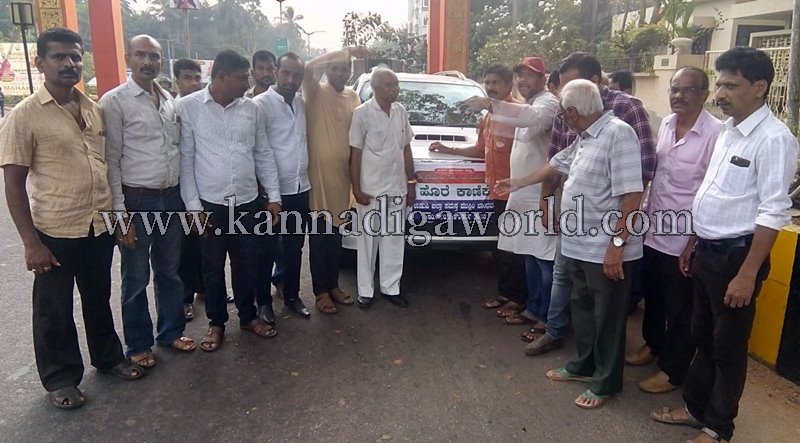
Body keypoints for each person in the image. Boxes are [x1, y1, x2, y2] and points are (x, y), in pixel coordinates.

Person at [652, 47, 798, 443]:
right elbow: (712, 192)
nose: (720, 94)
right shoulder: (729, 130)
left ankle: (718, 428)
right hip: (707, 251)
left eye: (730, 86)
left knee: (728, 348)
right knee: (702, 338)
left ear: (759, 87)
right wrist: (693, 242)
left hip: (737, 258)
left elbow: (773, 212)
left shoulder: (774, 139)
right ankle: (694, 408)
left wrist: (747, 274)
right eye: (719, 85)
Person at [0, 28, 144, 410]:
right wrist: (31, 243)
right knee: (55, 310)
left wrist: (117, 221)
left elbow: (106, 168)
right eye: (59, 57)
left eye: (76, 57)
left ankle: (109, 358)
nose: (69, 63)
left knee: (98, 298)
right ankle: (61, 378)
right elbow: (13, 184)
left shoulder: (92, 109)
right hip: (55, 230)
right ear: (40, 62)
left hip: (98, 226)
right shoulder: (25, 115)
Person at [496, 79, 644, 409]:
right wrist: (517, 182)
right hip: (577, 244)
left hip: (604, 248)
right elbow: (556, 165)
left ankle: (606, 382)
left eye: (563, 113)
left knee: (608, 318)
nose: (562, 119)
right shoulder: (585, 137)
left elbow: (633, 195)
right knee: (584, 310)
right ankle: (584, 365)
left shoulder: (618, 134)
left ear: (574, 112)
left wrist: (617, 245)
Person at [525, 52, 655, 356]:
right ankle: (559, 334)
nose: (564, 93)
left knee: (604, 296)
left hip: (606, 224)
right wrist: (545, 202)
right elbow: (556, 159)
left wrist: (619, 238)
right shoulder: (571, 115)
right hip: (573, 219)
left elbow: (642, 172)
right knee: (566, 278)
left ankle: (601, 358)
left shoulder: (625, 113)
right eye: (562, 86)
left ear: (594, 81)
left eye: (572, 84)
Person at [99, 35, 196, 369]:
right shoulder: (115, 102)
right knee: (136, 277)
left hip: (171, 197)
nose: (148, 62)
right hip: (136, 200)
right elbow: (111, 162)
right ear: (128, 58)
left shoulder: (168, 99)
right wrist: (120, 216)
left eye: (154, 56)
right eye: (140, 55)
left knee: (169, 271)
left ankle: (171, 331)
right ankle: (138, 343)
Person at [626, 67, 722, 395]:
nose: (679, 95)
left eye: (688, 89)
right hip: (654, 230)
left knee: (681, 309)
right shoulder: (666, 124)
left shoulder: (715, 134)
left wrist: (693, 241)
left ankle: (673, 370)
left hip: (684, 238)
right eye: (674, 89)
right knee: (653, 295)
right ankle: (653, 345)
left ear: (704, 94)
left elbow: (711, 192)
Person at [178, 49, 282, 350]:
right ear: (221, 76)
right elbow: (185, 161)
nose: (246, 84)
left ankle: (248, 317)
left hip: (247, 202)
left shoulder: (252, 109)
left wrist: (274, 197)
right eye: (241, 78)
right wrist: (194, 209)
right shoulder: (189, 108)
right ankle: (216, 323)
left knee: (246, 264)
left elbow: (263, 153)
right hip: (210, 204)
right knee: (212, 267)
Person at [460, 57, 559, 332]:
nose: (523, 81)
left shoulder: (547, 103)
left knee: (543, 259)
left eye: (530, 75)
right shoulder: (528, 104)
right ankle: (531, 307)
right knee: (527, 255)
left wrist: (491, 105)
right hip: (521, 190)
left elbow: (532, 119)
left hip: (541, 192)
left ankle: (545, 317)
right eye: (520, 76)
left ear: (543, 79)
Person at [429, 63, 527, 319]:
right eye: (488, 82)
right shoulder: (488, 116)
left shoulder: (518, 113)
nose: (491, 87)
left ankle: (518, 299)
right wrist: (449, 150)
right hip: (496, 192)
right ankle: (507, 294)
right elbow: (479, 150)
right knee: (502, 247)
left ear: (509, 85)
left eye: (496, 83)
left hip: (516, 192)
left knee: (515, 249)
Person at [302, 47, 364, 314]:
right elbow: (307, 68)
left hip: (342, 179)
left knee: (336, 237)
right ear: (327, 69)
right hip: (318, 179)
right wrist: (346, 51)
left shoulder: (354, 96)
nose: (340, 73)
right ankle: (321, 292)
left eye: (345, 68)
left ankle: (334, 285)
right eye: (335, 68)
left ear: (350, 71)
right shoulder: (315, 91)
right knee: (319, 238)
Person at [252, 52, 312, 321]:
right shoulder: (260, 105)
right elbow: (256, 150)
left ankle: (292, 296)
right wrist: (264, 190)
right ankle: (263, 302)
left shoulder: (301, 103)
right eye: (286, 73)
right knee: (264, 249)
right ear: (276, 71)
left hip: (300, 189)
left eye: (297, 75)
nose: (290, 80)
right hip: (271, 193)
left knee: (294, 247)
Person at [349, 68, 415, 309]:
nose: (394, 89)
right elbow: (355, 154)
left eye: (396, 84)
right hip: (371, 190)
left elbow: (406, 148)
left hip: (397, 188)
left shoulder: (400, 111)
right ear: (375, 88)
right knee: (368, 242)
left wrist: (411, 183)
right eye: (388, 85)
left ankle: (391, 287)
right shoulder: (362, 113)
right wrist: (356, 189)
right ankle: (365, 292)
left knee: (394, 240)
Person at [172, 58, 206, 320]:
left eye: (197, 78)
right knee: (184, 246)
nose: (194, 83)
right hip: (178, 187)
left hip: (203, 186)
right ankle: (185, 298)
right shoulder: (173, 110)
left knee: (204, 242)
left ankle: (204, 288)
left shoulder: (204, 107)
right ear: (177, 81)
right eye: (187, 78)